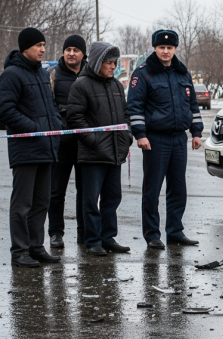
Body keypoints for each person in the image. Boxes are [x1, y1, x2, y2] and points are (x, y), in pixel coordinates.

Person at [127, 29, 203, 250]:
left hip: (179, 139)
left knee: (178, 189)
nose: (166, 51)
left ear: (175, 49)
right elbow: (135, 106)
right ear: (155, 48)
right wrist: (140, 135)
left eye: (170, 48)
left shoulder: (182, 72)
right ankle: (152, 234)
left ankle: (175, 232)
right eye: (162, 47)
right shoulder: (143, 73)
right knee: (152, 189)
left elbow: (193, 106)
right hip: (155, 140)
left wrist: (196, 132)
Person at [0, 28, 63, 267]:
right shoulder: (12, 75)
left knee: (41, 202)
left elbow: (51, 106)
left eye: (44, 44)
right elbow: (5, 110)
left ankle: (36, 248)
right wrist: (33, 128)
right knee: (22, 204)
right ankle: (20, 252)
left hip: (46, 147)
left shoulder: (42, 74)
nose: (43, 49)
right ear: (24, 47)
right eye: (38, 45)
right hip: (26, 149)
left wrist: (56, 125)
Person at [66, 42, 133, 256]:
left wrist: (127, 136)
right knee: (90, 199)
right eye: (109, 62)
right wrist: (94, 141)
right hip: (93, 154)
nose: (114, 66)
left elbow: (125, 115)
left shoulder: (115, 85)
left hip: (115, 153)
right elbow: (75, 118)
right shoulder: (81, 85)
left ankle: (108, 237)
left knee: (112, 198)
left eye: (115, 62)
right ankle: (92, 240)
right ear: (97, 63)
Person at [47, 35, 87, 249]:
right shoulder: (52, 74)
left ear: (83, 53)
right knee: (56, 191)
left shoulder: (91, 74)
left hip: (85, 142)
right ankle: (55, 233)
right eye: (68, 49)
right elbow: (48, 105)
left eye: (76, 50)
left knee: (86, 191)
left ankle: (83, 233)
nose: (71, 53)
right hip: (61, 142)